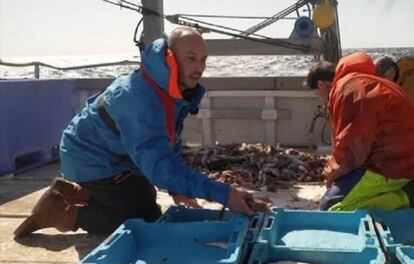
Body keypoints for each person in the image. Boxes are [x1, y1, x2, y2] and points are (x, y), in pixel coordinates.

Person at [14, 27, 256, 237]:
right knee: (143, 216)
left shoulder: (169, 88)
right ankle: (63, 214)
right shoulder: (140, 100)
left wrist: (176, 188)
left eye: (203, 60)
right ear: (169, 58)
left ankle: (80, 193)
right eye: (191, 58)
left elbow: (167, 140)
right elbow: (160, 168)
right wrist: (225, 194)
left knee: (144, 198)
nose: (199, 67)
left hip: (121, 156)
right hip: (89, 159)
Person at [305, 52, 414, 211]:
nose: (322, 99)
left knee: (331, 208)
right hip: (405, 162)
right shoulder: (374, 83)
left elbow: (353, 147)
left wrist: (332, 174)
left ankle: (407, 197)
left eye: (318, 95)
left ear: (322, 85)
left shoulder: (347, 89)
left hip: (389, 166)